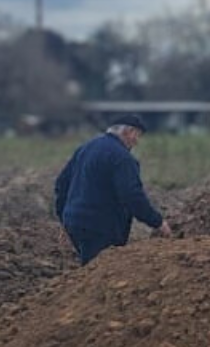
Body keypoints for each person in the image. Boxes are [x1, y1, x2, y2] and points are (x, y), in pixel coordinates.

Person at [54, 113, 172, 265]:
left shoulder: (85, 148)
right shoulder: (122, 158)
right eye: (137, 135)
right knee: (100, 271)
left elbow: (61, 184)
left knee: (90, 267)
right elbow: (132, 196)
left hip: (75, 223)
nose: (137, 141)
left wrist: (64, 217)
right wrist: (157, 222)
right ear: (128, 132)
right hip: (101, 227)